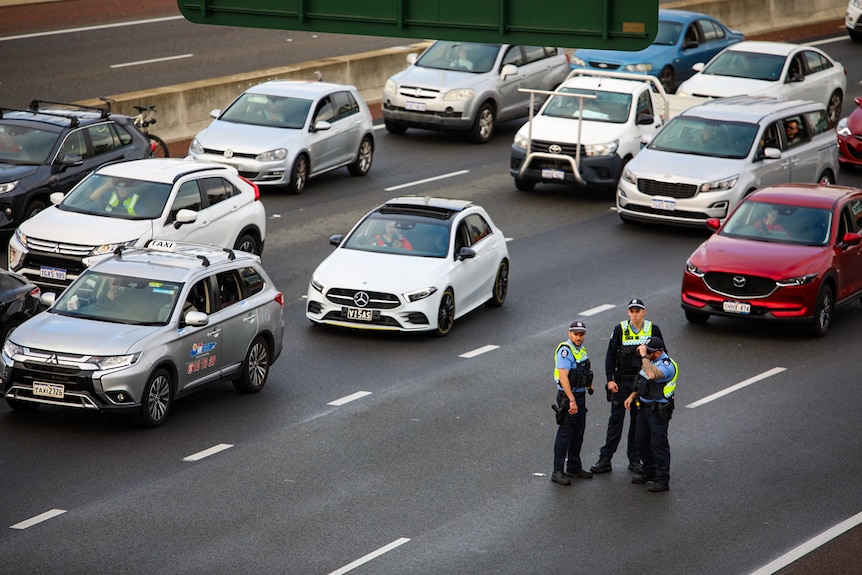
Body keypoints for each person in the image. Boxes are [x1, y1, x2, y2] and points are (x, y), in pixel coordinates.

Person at [590, 298, 665, 475]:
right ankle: (605, 458)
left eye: (637, 311)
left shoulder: (653, 330)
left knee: (637, 423)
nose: (634, 314)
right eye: (632, 311)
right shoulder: (620, 329)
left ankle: (634, 459)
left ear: (643, 312)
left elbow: (661, 353)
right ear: (628, 312)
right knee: (615, 420)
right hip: (622, 382)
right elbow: (610, 356)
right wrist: (610, 379)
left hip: (642, 383)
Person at [624, 336, 678, 492]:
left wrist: (643, 357)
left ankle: (662, 479)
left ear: (658, 352)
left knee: (658, 444)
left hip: (658, 410)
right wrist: (632, 396)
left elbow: (653, 375)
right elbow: (642, 380)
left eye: (649, 352)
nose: (646, 353)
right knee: (640, 441)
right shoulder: (650, 361)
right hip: (644, 408)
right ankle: (649, 471)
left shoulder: (667, 365)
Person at [551, 321, 594, 485]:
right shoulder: (565, 351)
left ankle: (574, 467)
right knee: (565, 434)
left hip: (580, 395)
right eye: (576, 334)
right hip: (568, 397)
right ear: (569, 333)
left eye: (581, 334)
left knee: (578, 433)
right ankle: (557, 470)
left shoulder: (581, 351)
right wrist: (571, 400)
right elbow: (563, 378)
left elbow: (584, 371)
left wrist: (589, 384)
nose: (578, 337)